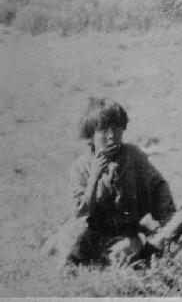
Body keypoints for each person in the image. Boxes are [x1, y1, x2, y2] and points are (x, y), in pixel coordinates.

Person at [55, 98, 175, 268]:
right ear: (90, 136)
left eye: (117, 128)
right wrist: (94, 178)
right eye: (103, 130)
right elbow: (80, 212)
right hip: (92, 231)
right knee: (68, 250)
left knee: (124, 254)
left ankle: (116, 256)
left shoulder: (133, 156)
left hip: (125, 231)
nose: (111, 136)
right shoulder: (81, 167)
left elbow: (157, 186)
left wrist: (167, 224)